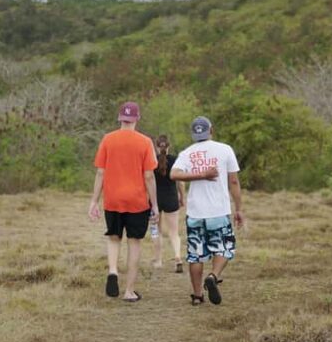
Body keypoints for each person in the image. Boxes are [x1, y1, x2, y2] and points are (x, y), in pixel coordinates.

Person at [88, 101, 159, 302]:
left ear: (120, 118)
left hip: (112, 199)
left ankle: (112, 271)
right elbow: (149, 177)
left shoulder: (107, 139)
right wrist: (154, 205)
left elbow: (100, 172)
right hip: (137, 201)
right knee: (134, 242)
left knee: (113, 237)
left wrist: (94, 201)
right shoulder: (145, 142)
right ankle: (129, 291)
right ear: (137, 119)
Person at [170, 116, 243, 305]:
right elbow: (233, 181)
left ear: (194, 134)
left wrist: (198, 175)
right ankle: (213, 276)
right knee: (225, 248)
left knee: (196, 254)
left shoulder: (187, 153)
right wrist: (239, 209)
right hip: (219, 211)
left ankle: (197, 295)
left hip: (195, 212)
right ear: (212, 130)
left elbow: (174, 174)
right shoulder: (225, 149)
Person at [151, 135, 186, 273]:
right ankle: (177, 257)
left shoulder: (151, 161)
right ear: (168, 146)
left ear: (156, 146)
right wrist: (182, 197)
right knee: (174, 232)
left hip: (155, 200)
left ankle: (158, 260)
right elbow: (181, 182)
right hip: (171, 199)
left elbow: (147, 180)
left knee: (156, 231)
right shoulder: (175, 160)